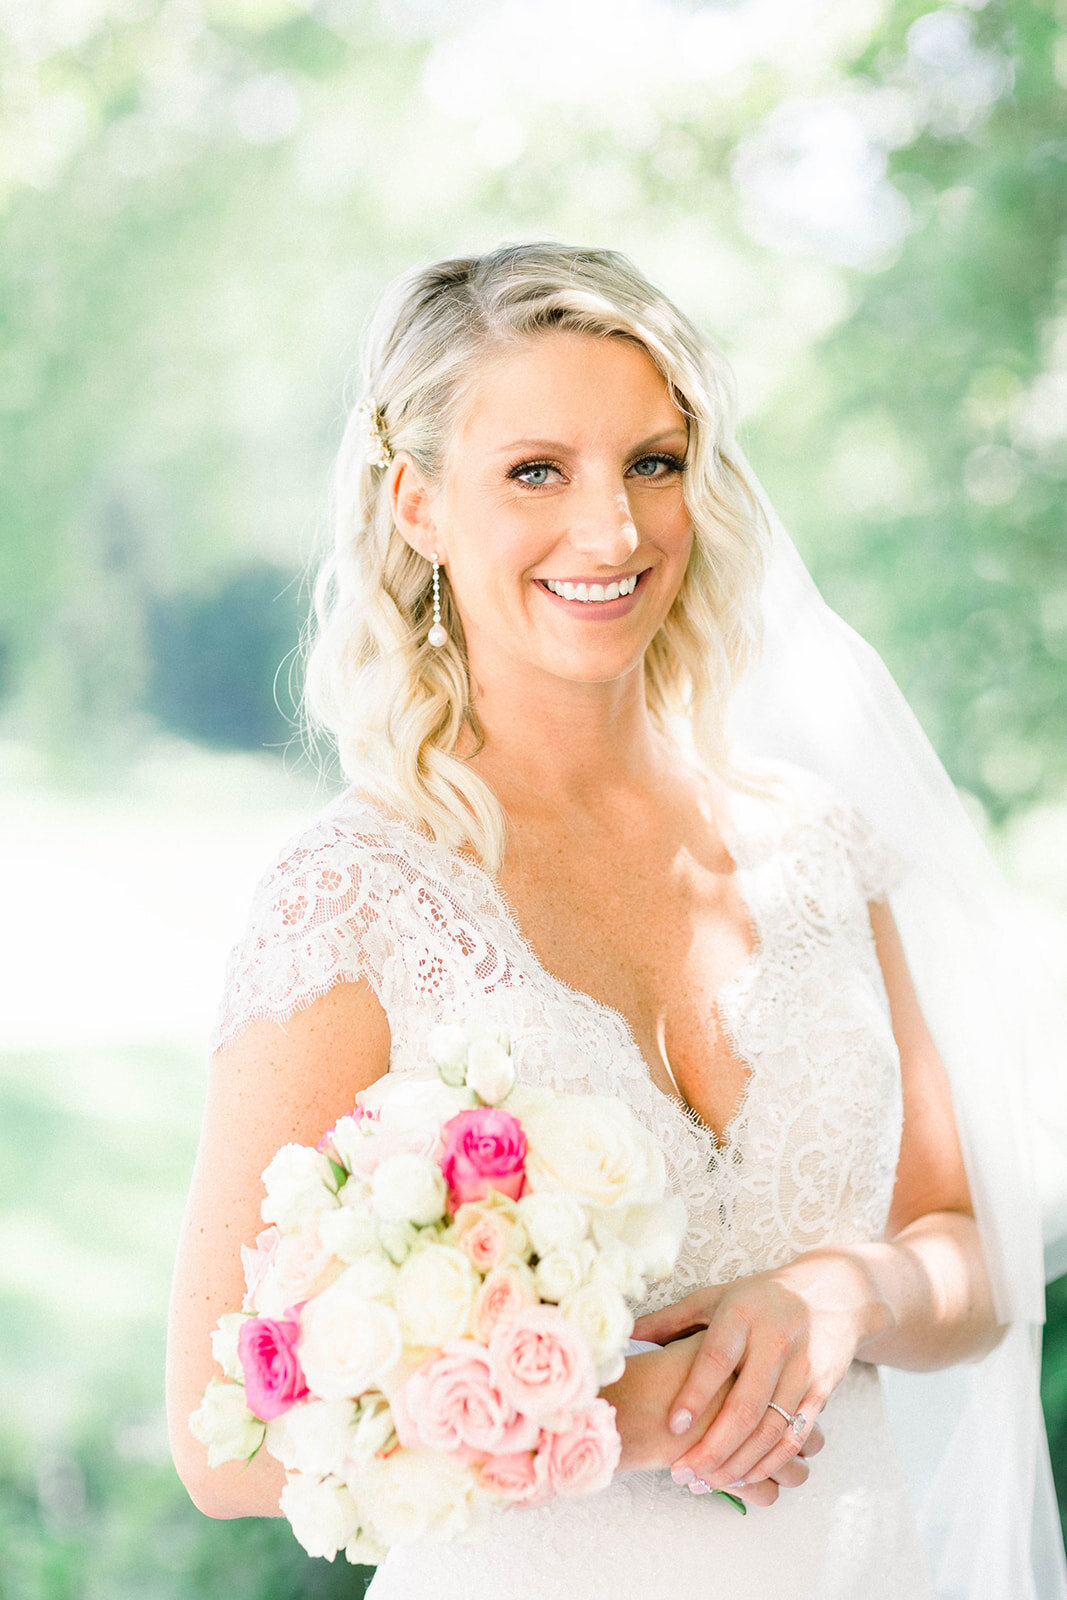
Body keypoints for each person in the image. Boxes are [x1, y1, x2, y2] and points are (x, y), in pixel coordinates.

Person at [165, 242, 1067, 1598]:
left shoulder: (817, 851)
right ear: (415, 501)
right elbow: (217, 1435)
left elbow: (974, 1255)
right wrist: (617, 1416)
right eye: (538, 472)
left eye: (654, 463)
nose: (617, 532)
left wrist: (843, 1294)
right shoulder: (357, 898)